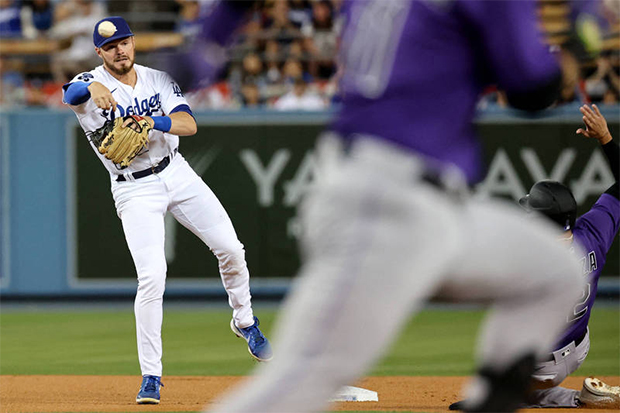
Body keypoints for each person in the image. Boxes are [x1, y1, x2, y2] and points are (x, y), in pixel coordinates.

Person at [171, 1, 593, 412]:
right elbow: (532, 89)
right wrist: (578, 45)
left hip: (428, 206)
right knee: (305, 379)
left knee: (555, 272)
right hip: (387, 206)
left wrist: (208, 44)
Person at [61, 16, 272, 405]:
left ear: (133, 43)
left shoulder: (158, 79)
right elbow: (69, 95)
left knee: (231, 248)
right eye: (109, 47)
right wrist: (92, 84)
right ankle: (151, 376)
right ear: (99, 53)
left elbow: (188, 124)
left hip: (177, 173)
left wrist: (151, 120)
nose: (118, 50)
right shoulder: (89, 82)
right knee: (152, 278)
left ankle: (245, 322)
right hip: (134, 189)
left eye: (123, 42)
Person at [491, 104, 617, 409]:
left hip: (541, 366)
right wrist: (606, 139)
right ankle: (568, 395)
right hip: (580, 347)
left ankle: (555, 396)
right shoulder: (592, 234)